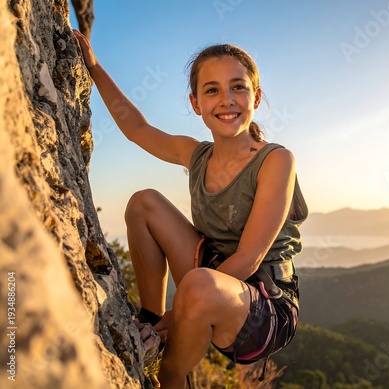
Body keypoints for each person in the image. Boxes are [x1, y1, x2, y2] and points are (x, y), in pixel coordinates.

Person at [74, 30, 308, 389]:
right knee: (143, 203)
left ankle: (170, 376)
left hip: (264, 307)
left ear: (256, 97)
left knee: (198, 285)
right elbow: (136, 128)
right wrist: (94, 66)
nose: (226, 100)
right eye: (211, 90)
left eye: (238, 87)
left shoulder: (275, 160)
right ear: (196, 102)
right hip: (210, 278)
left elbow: (247, 259)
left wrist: (177, 315)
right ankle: (148, 319)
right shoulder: (196, 155)